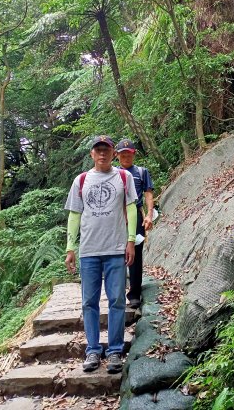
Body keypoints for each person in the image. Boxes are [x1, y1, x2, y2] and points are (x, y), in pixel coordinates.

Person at [64, 136, 138, 373]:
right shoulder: (81, 180)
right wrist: (70, 248)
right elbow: (74, 214)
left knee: (117, 301)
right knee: (89, 302)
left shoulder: (124, 178)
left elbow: (131, 209)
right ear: (92, 154)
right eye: (98, 150)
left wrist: (130, 241)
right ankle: (93, 351)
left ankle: (115, 350)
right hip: (89, 251)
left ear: (113, 153)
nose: (102, 154)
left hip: (116, 249)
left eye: (106, 150)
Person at [115, 138, 155, 309]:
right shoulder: (112, 172)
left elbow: (148, 194)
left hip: (136, 215)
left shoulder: (141, 172)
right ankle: (116, 292)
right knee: (115, 252)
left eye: (128, 153)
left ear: (134, 154)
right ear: (116, 155)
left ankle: (134, 294)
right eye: (122, 154)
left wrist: (149, 215)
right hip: (115, 216)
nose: (126, 157)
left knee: (136, 253)